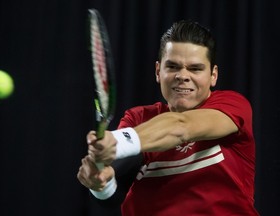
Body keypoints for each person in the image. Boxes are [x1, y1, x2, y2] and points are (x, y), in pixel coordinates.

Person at [77, 20, 260, 215]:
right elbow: (114, 193)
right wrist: (100, 183)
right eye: (172, 66)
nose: (182, 75)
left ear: (213, 75)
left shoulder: (232, 105)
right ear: (158, 71)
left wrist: (116, 141)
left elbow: (182, 126)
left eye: (195, 68)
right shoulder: (138, 119)